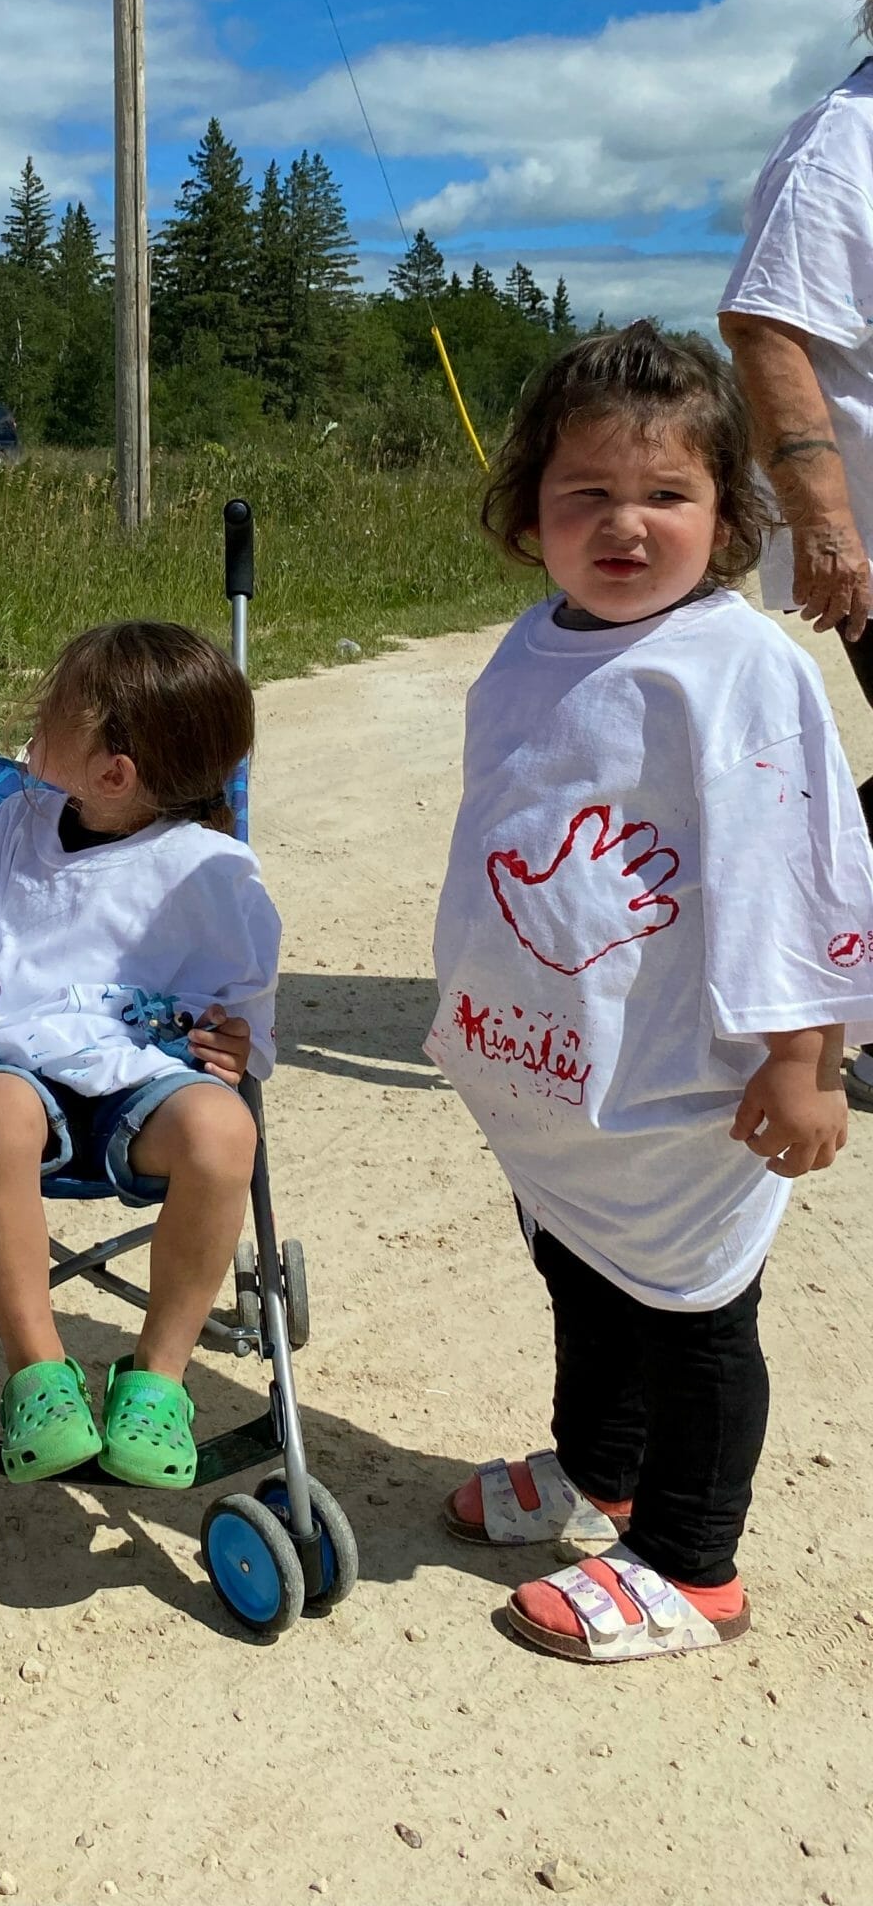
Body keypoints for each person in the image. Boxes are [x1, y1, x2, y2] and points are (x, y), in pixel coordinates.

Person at [428, 322, 873, 1664]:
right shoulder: (529, 645)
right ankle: (598, 1471)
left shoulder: (737, 667)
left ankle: (691, 1558)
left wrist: (806, 1053)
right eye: (588, 492)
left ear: (727, 515)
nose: (625, 523)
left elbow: (798, 869)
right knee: (583, 1267)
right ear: (531, 513)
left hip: (689, 1083)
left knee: (693, 1315)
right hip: (565, 1075)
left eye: (667, 493)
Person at [0, 621, 278, 1490]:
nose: (33, 721)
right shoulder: (18, 825)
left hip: (146, 1082)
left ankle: (158, 1381)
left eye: (51, 712)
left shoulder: (212, 871)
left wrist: (239, 1045)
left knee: (225, 1133)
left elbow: (241, 996)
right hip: (24, 1066)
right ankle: (40, 1376)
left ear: (113, 774)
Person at [719, 0, 873, 1101]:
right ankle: (795, 962)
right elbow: (765, 323)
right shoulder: (843, 145)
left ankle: (783, 946)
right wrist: (825, 520)